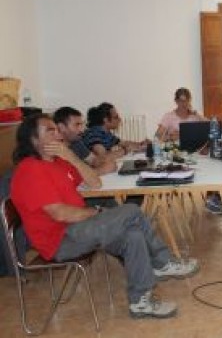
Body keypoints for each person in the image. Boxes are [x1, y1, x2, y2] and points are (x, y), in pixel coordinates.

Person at [10, 114, 198, 318]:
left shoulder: (59, 162)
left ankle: (140, 303)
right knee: (132, 211)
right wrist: (97, 213)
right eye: (50, 130)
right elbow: (61, 213)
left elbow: (95, 183)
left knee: (133, 235)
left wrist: (70, 157)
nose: (58, 134)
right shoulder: (30, 170)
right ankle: (163, 262)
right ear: (34, 140)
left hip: (78, 229)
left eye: (57, 129)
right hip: (60, 241)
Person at [53, 106, 117, 175]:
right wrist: (102, 170)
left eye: (81, 124)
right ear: (61, 127)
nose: (82, 129)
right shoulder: (55, 148)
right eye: (77, 125)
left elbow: (93, 160)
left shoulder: (76, 141)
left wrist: (106, 162)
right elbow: (71, 177)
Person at [82, 102, 147, 159]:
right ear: (106, 120)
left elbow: (124, 143)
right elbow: (102, 157)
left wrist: (141, 144)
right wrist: (125, 150)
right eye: (116, 117)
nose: (119, 120)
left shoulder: (106, 133)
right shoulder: (93, 134)